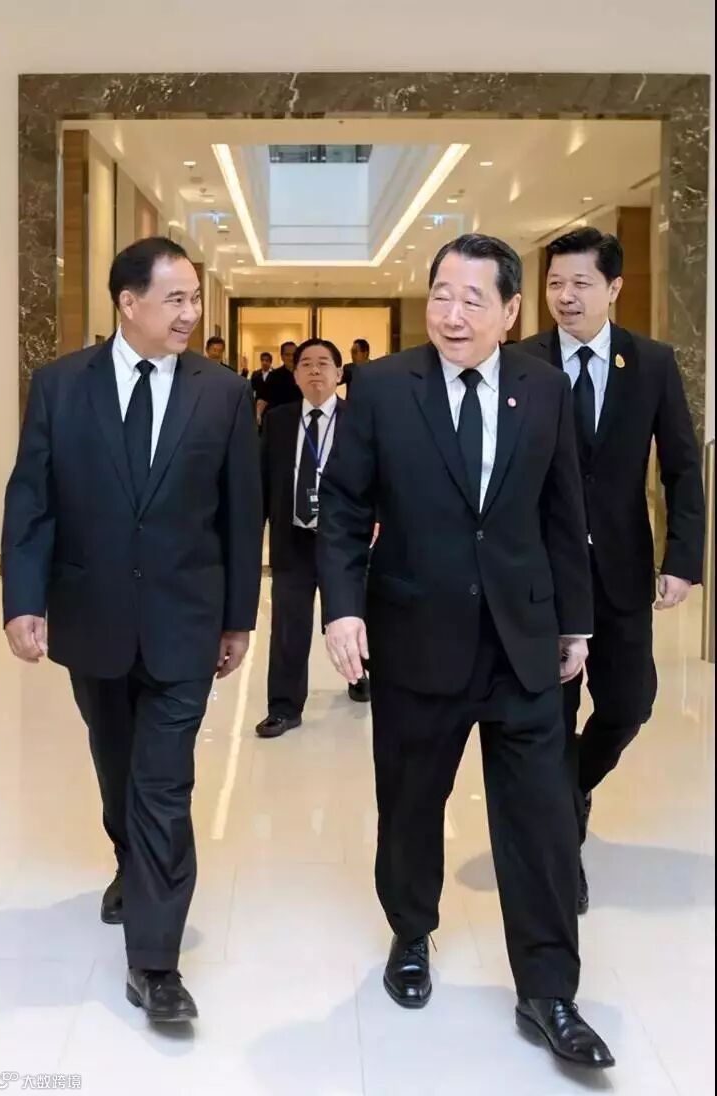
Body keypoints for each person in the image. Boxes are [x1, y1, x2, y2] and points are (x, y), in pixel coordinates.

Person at [317, 233, 615, 1069]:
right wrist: (343, 611)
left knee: (541, 822)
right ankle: (412, 932)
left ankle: (549, 992)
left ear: (511, 311)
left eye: (473, 299)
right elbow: (342, 508)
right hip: (417, 637)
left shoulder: (543, 388)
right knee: (412, 804)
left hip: (522, 643)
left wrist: (577, 623)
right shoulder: (382, 388)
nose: (452, 314)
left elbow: (563, 513)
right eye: (441, 296)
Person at [2, 237, 263, 1023]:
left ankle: (155, 964)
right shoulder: (60, 386)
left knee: (163, 783)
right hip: (94, 619)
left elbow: (240, 515)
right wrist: (23, 600)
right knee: (118, 769)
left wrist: (238, 619)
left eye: (196, 299)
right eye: (176, 299)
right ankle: (130, 860)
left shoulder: (222, 393)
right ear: (128, 302)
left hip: (185, 622)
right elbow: (33, 499)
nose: (191, 314)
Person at [519, 227, 705, 913]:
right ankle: (561, 849)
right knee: (552, 714)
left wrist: (682, 559)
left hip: (622, 569)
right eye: (555, 283)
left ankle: (572, 789)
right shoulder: (521, 362)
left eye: (580, 284)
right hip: (543, 576)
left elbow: (682, 467)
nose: (565, 297)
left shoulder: (650, 363)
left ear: (614, 288)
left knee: (631, 703)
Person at [256, 339, 370, 740]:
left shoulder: (359, 419)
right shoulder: (279, 420)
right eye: (306, 364)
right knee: (289, 623)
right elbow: (264, 478)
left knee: (354, 613)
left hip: (346, 541)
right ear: (295, 375)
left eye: (324, 363)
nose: (315, 370)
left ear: (340, 374)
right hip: (294, 538)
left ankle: (359, 676)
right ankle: (283, 707)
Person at [256, 340, 302, 422]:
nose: (291, 358)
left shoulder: (305, 375)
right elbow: (263, 398)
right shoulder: (274, 376)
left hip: (300, 419)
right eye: (287, 355)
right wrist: (258, 414)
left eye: (294, 354)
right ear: (282, 357)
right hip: (279, 419)